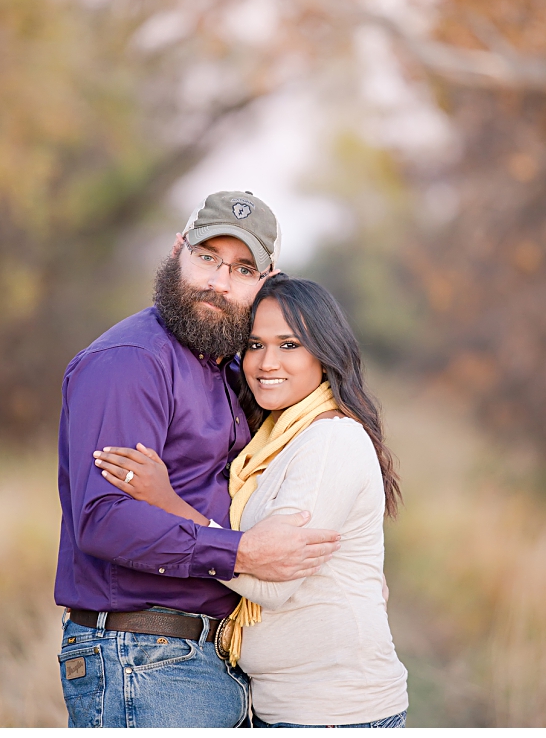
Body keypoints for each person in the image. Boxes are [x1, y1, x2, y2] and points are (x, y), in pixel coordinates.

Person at [55, 191, 342, 728]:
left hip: (211, 656)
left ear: (265, 282)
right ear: (177, 251)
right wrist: (240, 552)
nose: (218, 280)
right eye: (207, 258)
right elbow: (104, 519)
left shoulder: (233, 371)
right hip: (141, 653)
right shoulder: (131, 363)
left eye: (241, 269)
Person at [95, 275, 409, 727]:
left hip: (336, 710)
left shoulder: (330, 440)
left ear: (325, 352)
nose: (265, 362)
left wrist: (166, 500)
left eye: (288, 345)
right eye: (256, 345)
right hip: (285, 705)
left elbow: (271, 582)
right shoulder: (275, 442)